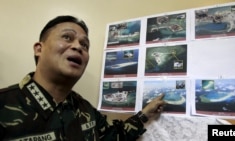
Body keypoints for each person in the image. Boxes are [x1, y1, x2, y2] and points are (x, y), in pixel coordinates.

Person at [0, 15, 166, 141]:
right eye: (67, 37)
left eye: (84, 45)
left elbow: (112, 136)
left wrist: (145, 114)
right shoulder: (4, 105)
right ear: (39, 49)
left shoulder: (85, 109)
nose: (78, 46)